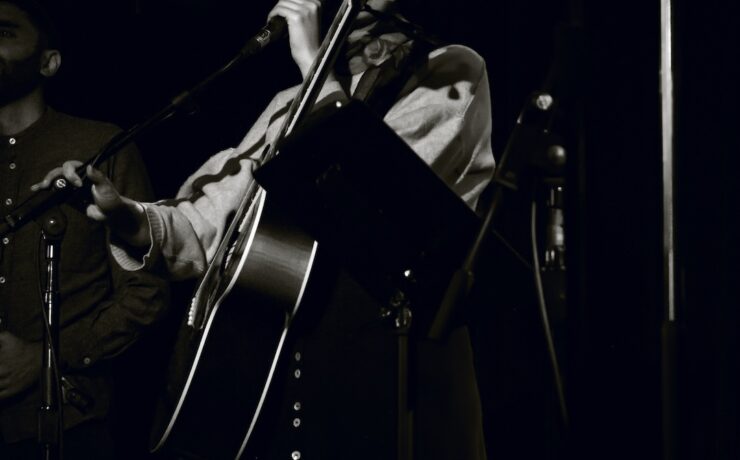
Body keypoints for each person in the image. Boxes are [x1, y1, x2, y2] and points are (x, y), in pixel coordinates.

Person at [38, 0, 494, 458]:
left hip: (378, 378)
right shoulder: (289, 103)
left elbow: (373, 195)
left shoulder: (448, 72)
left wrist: (313, 66)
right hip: (277, 379)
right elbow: (205, 224)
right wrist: (126, 215)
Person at [0, 0, 169, 458]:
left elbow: (147, 293)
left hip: (69, 426)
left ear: (49, 62)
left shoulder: (99, 146)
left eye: (6, 32)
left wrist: (45, 356)